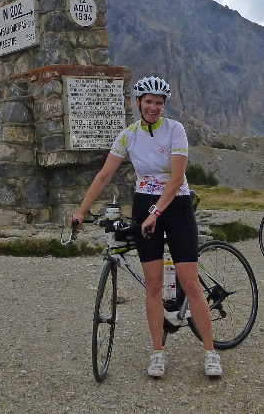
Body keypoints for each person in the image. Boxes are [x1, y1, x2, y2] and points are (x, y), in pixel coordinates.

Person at [71, 75, 222, 378]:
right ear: (138, 103)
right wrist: (80, 210)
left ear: (164, 105)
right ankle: (157, 353)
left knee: (189, 281)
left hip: (176, 206)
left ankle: (210, 353)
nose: (154, 107)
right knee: (152, 285)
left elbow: (177, 177)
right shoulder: (128, 135)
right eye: (149, 102)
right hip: (144, 204)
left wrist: (157, 212)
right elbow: (103, 175)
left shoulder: (174, 130)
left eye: (159, 103)